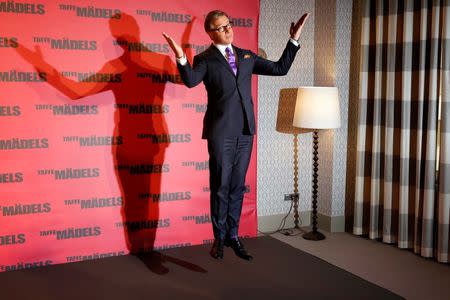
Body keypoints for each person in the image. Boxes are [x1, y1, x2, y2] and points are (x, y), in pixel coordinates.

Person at [163, 10, 309, 261]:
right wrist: (180, 57)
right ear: (211, 33)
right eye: (221, 28)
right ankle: (218, 239)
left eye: (229, 25)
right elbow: (190, 81)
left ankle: (233, 235)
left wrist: (293, 40)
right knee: (221, 186)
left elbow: (279, 69)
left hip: (245, 132)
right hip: (221, 133)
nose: (228, 30)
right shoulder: (204, 59)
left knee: (238, 187)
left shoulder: (246, 55)